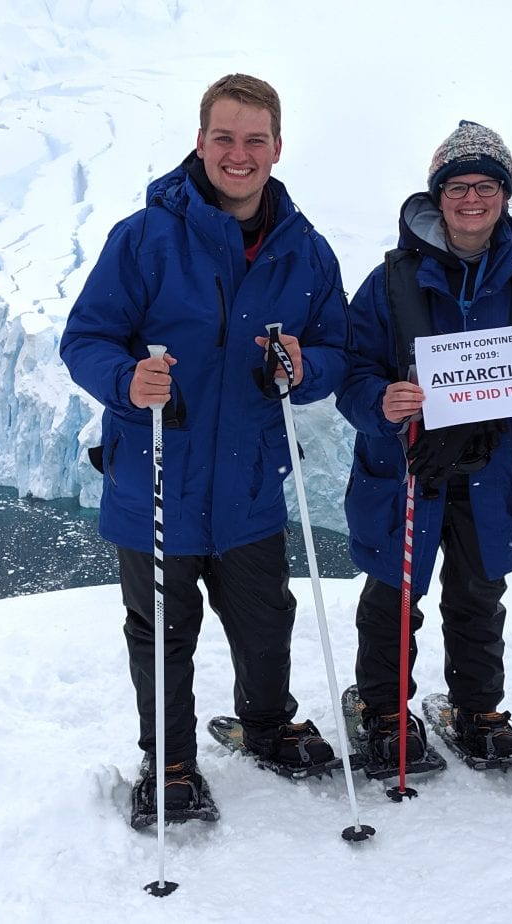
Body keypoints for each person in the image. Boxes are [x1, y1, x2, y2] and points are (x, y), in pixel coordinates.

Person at [60, 74, 350, 824]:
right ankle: (173, 761)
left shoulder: (305, 254)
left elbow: (339, 351)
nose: (239, 153)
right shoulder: (145, 237)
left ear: (278, 148)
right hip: (156, 477)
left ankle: (265, 725)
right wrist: (128, 379)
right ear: (200, 141)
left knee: (265, 621)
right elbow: (86, 337)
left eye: (255, 139)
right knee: (161, 633)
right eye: (224, 137)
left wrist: (304, 365)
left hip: (249, 483)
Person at [336, 120, 512, 772]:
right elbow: (353, 376)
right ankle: (385, 712)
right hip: (407, 468)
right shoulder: (389, 282)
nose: (470, 198)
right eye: (456, 186)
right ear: (437, 195)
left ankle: (477, 710)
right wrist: (379, 401)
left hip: (498, 469)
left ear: (504, 194)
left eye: (485, 185)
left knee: (479, 592)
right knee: (394, 592)